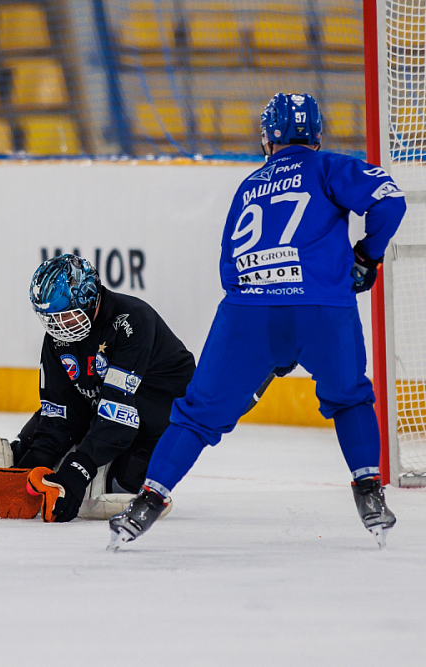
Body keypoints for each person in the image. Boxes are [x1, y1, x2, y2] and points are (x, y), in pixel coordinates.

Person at [108, 93, 407, 550]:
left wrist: (263, 338)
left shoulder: (249, 185)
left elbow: (229, 268)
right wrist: (367, 255)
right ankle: (369, 493)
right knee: (349, 398)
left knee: (196, 416)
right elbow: (390, 203)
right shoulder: (328, 166)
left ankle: (147, 501)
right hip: (322, 308)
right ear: (317, 134)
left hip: (247, 313)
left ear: (267, 138)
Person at [0, 254, 196, 522]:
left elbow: (119, 415)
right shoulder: (58, 337)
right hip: (105, 401)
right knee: (29, 447)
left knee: (121, 483)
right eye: (50, 319)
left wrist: (78, 468)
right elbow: (58, 412)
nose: (58, 327)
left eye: (66, 316)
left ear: (89, 299)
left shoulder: (131, 322)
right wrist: (31, 467)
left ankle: (108, 472)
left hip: (159, 414)